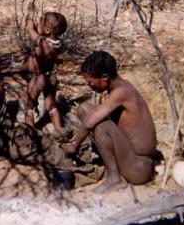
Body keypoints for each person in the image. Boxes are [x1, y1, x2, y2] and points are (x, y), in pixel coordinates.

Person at [64, 50, 157, 193]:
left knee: (101, 127)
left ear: (105, 77)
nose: (90, 86)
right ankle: (113, 170)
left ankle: (115, 179)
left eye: (91, 82)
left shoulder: (122, 92)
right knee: (84, 109)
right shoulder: (120, 87)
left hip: (138, 167)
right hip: (129, 158)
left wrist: (74, 145)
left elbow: (90, 123)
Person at [24, 2, 67, 135]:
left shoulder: (42, 44)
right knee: (51, 105)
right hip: (51, 76)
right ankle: (59, 129)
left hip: (39, 77)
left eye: (40, 23)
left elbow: (31, 30)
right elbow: (39, 33)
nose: (38, 24)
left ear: (48, 31)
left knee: (30, 105)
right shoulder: (58, 43)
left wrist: (30, 15)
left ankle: (30, 130)